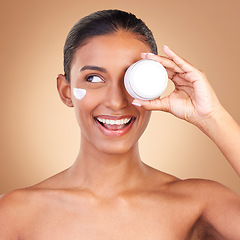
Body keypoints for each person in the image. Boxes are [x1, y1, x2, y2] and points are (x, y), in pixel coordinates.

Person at [0, 9, 239, 240]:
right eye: (94, 78)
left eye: (132, 78)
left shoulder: (199, 204)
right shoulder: (14, 213)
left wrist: (212, 116)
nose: (116, 101)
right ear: (66, 91)